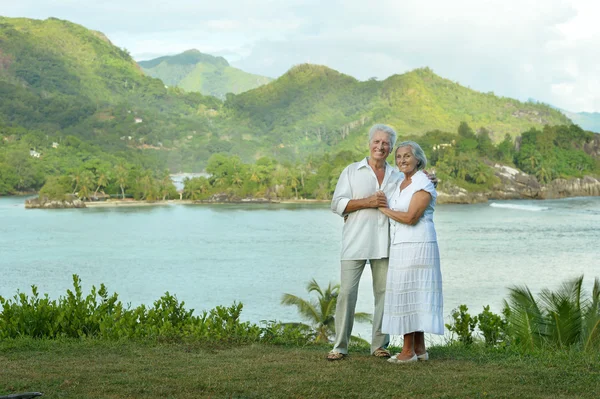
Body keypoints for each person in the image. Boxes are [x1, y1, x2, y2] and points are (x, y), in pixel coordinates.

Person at [327, 123, 400, 361]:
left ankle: (380, 345)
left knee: (384, 294)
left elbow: (409, 198)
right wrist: (367, 202)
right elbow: (337, 205)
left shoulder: (396, 176)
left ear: (391, 148)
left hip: (385, 243)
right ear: (369, 143)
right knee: (347, 293)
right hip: (355, 242)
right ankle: (339, 346)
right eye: (377, 141)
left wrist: (429, 179)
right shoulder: (351, 171)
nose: (380, 146)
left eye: (385, 143)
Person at [379, 141, 444, 363]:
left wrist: (383, 210)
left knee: (409, 293)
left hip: (417, 245)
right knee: (412, 293)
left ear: (418, 159)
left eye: (407, 156)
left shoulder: (423, 183)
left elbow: (410, 217)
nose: (402, 160)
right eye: (398, 157)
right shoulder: (402, 182)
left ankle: (407, 353)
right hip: (403, 245)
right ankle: (419, 349)